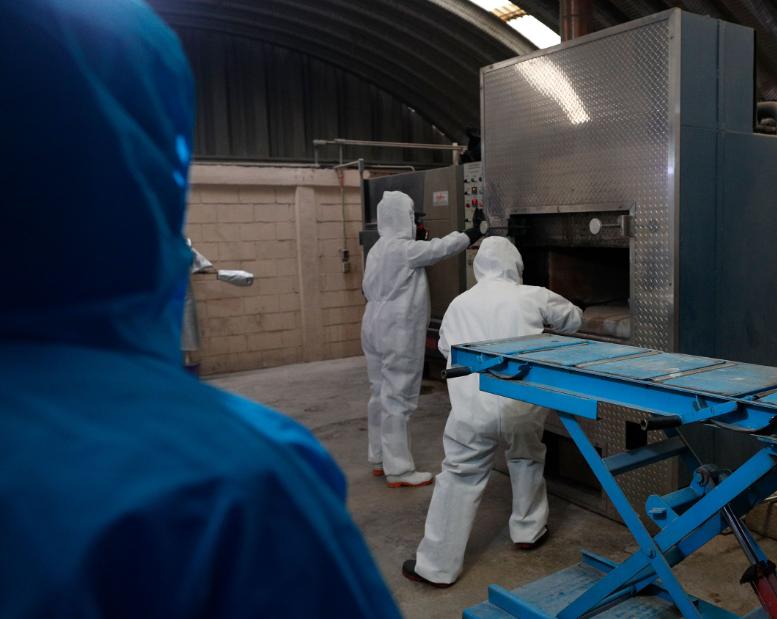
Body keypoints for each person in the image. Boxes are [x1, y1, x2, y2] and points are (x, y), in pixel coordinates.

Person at [0, 2, 402, 617]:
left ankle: (386, 456)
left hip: (375, 333)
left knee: (384, 400)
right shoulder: (226, 483)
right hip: (387, 336)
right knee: (392, 400)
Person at [403, 236, 582, 586]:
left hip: (471, 410)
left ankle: (437, 567)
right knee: (527, 458)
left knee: (459, 476)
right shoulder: (532, 295)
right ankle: (528, 530)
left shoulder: (458, 304)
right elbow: (573, 320)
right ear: (514, 265)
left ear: (478, 266)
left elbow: (445, 347)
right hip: (521, 406)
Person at [361, 191, 481, 487]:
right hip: (397, 328)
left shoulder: (378, 249)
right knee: (398, 396)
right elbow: (440, 249)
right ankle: (398, 470)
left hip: (372, 324)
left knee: (379, 392)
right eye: (414, 218)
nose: (417, 224)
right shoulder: (404, 250)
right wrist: (473, 233)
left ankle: (379, 457)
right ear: (404, 218)